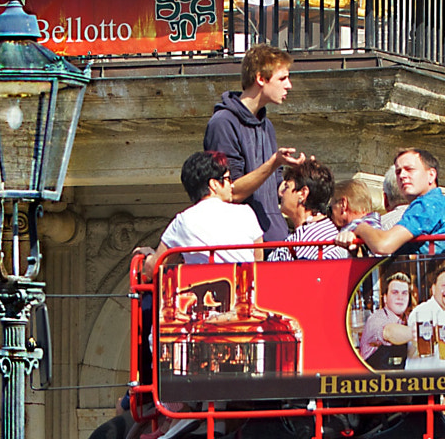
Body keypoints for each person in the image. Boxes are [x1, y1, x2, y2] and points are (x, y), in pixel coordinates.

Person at [204, 44, 303, 245]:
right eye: (282, 78)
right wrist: (273, 163)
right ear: (260, 79)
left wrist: (303, 176)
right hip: (244, 248)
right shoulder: (222, 123)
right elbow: (230, 192)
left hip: (274, 242)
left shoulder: (266, 125)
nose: (289, 85)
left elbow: (275, 186)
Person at [149, 151, 263, 277]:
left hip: (203, 292)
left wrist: (147, 254)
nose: (232, 184)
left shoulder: (183, 220)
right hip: (244, 291)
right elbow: (258, 261)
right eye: (228, 179)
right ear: (214, 184)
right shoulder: (246, 212)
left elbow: (154, 268)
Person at [341, 149, 445, 258]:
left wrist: (360, 226)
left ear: (431, 175)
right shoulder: (439, 202)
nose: (402, 176)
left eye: (410, 169)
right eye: (398, 171)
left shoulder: (429, 204)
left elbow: (384, 245)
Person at [266, 157, 347, 261]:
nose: (281, 193)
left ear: (303, 193)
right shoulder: (304, 235)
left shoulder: (321, 239)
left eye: (287, 187)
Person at [357, 271, 416, 371]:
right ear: (385, 298)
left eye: (404, 293)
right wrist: (419, 332)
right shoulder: (376, 319)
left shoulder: (408, 318)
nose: (400, 297)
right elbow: (389, 332)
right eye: (395, 292)